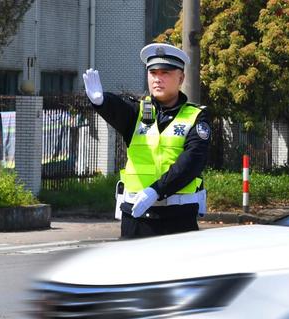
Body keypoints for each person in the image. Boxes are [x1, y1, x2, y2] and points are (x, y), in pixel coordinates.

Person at [82, 43, 211, 239]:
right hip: (136, 217)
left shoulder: (196, 117)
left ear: (181, 78)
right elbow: (118, 109)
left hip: (178, 218)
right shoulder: (137, 112)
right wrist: (101, 101)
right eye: (153, 73)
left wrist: (157, 190)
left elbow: (192, 162)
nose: (157, 79)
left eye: (165, 73)